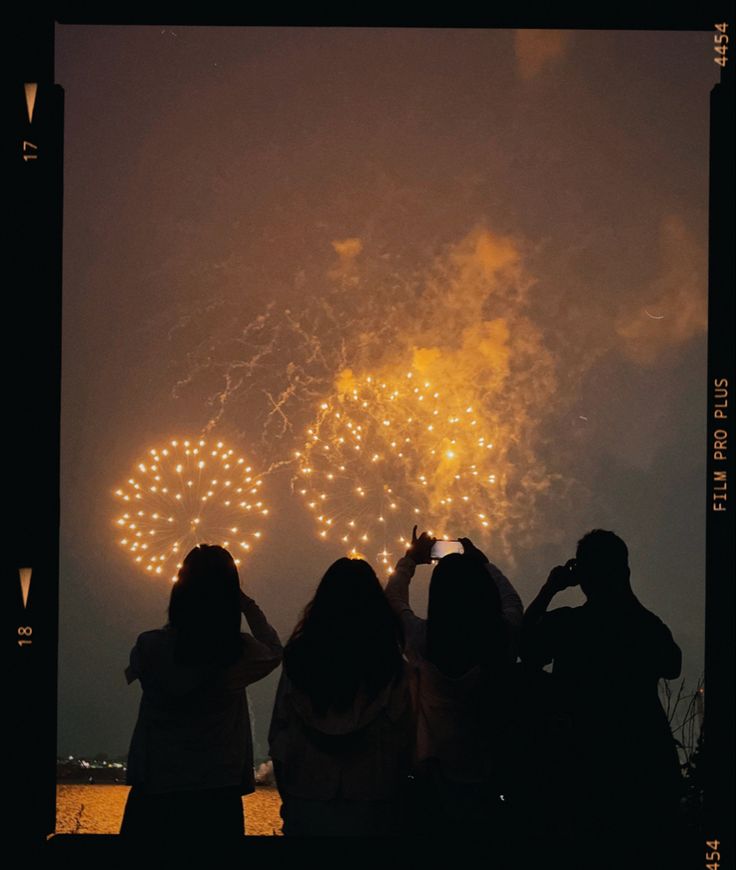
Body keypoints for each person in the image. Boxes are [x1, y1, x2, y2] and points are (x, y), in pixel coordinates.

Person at [521, 529, 684, 867]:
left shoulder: (570, 625)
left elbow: (523, 647)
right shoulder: (646, 627)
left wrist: (549, 589)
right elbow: (673, 664)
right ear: (623, 572)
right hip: (645, 775)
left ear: (581, 577)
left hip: (584, 775)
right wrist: (628, 594)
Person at [120, 544, 282, 840]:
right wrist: (245, 602)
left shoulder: (150, 647)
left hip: (156, 787)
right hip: (217, 790)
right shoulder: (238, 653)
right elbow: (274, 649)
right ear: (229, 596)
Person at [385, 527, 523, 836]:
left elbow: (393, 601)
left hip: (433, 783)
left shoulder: (422, 643)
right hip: (486, 783)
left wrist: (410, 560)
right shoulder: (500, 641)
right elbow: (513, 602)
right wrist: (483, 562)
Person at [268, 557, 412, 836]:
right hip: (372, 805)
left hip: (308, 802)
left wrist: (292, 799)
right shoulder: (392, 671)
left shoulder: (298, 666)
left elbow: (280, 739)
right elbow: (406, 744)